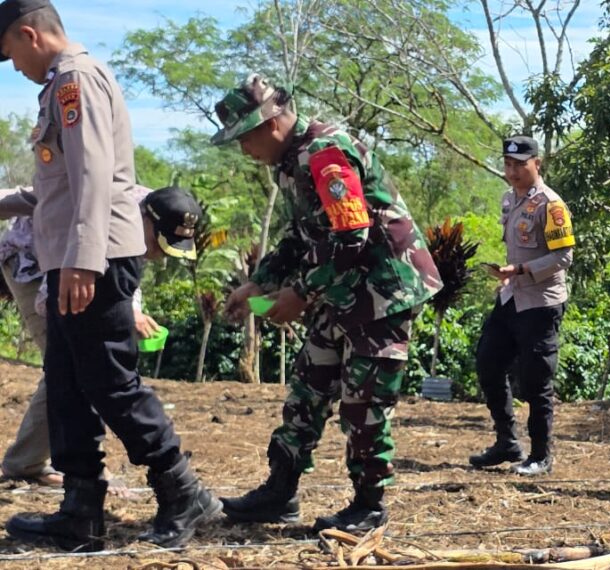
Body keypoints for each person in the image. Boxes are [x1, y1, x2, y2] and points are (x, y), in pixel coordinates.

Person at [0, 0, 219, 552]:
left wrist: (82, 259)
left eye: (10, 55)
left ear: (29, 34)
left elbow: (96, 173)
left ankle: (182, 490)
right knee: (70, 385)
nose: (13, 67)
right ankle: (81, 510)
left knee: (110, 382)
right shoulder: (58, 85)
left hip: (90, 261)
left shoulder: (76, 80)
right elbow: (58, 187)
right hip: (66, 259)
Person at [216, 73, 441, 532]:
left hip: (383, 292)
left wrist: (299, 293)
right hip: (340, 291)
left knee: (365, 403)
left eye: (245, 138)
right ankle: (280, 492)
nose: (244, 150)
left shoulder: (325, 154)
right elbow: (302, 237)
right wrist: (259, 283)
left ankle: (368, 506)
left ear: (271, 124)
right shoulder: (292, 161)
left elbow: (351, 234)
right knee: (307, 390)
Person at [0, 186, 204, 489]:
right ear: (147, 219)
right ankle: (35, 463)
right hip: (34, 263)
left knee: (76, 363)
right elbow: (59, 282)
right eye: (159, 245)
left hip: (71, 269)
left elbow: (124, 275)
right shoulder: (104, 209)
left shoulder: (146, 215)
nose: (160, 256)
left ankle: (32, 461)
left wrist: (129, 312)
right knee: (68, 362)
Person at [467, 136, 574, 477]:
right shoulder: (508, 200)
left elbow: (563, 256)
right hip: (511, 296)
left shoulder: (551, 205)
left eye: (519, 165)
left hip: (541, 302)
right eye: (508, 164)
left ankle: (541, 455)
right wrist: (507, 272)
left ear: (537, 164)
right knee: (488, 363)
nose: (512, 171)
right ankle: (506, 443)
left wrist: (524, 269)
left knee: (535, 380)